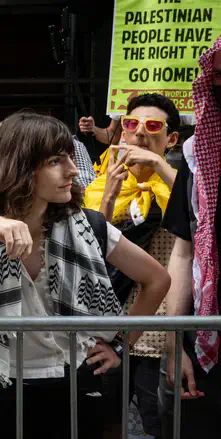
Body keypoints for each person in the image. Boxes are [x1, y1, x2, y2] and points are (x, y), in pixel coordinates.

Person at [0, 112, 170, 439]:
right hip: (3, 387)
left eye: (69, 157)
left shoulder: (87, 227)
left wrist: (121, 346)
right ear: (20, 167)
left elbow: (157, 280)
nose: (71, 170)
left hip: (81, 384)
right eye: (56, 160)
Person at [84, 93, 181, 439]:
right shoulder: (98, 185)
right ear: (122, 133)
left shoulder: (181, 184)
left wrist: (158, 168)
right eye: (131, 124)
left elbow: (199, 222)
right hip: (109, 331)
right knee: (103, 425)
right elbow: (88, 250)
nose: (140, 133)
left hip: (162, 332)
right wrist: (109, 197)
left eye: (152, 126)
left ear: (171, 139)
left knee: (160, 425)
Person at [159, 35, 221, 438]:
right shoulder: (197, 159)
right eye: (217, 77)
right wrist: (172, 343)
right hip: (206, 337)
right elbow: (183, 254)